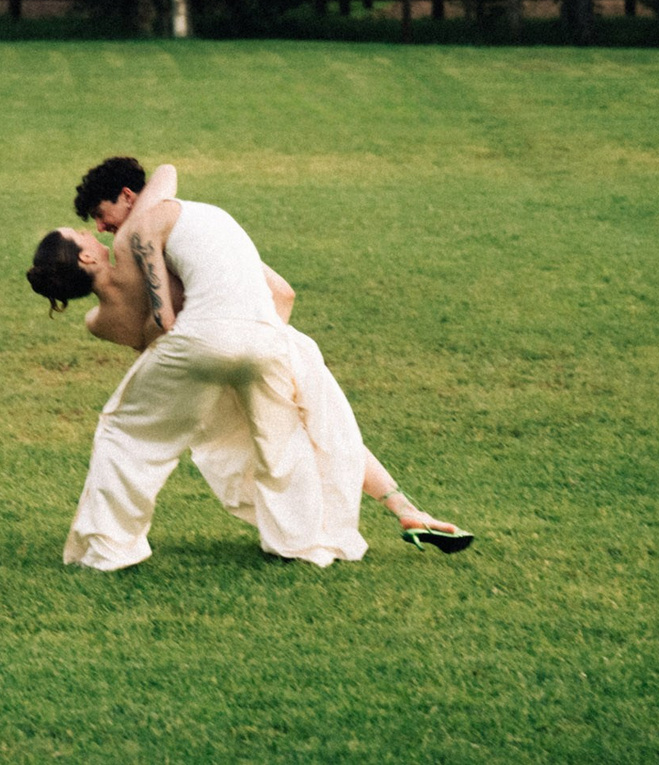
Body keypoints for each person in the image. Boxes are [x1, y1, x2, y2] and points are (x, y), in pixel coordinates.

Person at [30, 156, 472, 569]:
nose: (99, 228)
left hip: (195, 356)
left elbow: (152, 337)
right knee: (314, 432)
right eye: (87, 231)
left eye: (98, 216)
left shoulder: (99, 316)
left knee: (124, 437)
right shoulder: (147, 238)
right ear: (86, 255)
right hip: (257, 335)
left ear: (128, 197)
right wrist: (269, 341)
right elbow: (281, 291)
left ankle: (108, 545)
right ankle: (384, 513)